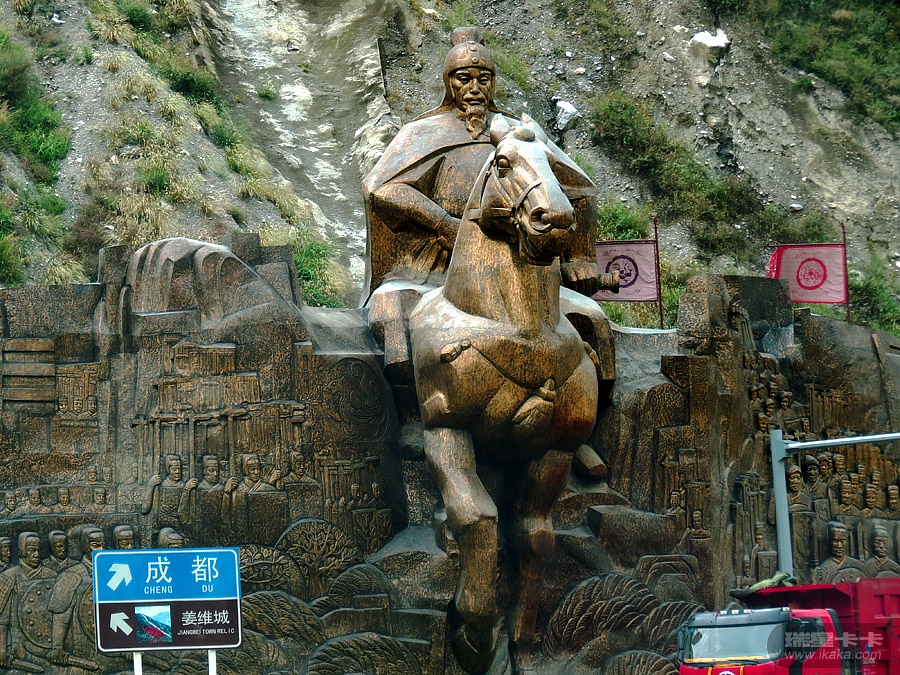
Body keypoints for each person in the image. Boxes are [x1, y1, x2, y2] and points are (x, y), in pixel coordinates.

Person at [362, 27, 599, 300]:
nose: (475, 89)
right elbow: (380, 187)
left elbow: (579, 187)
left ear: (492, 83)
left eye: (483, 80)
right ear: (449, 83)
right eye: (464, 79)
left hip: (519, 266)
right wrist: (443, 224)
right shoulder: (423, 132)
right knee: (390, 304)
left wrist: (581, 258)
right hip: (436, 269)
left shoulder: (517, 133)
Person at [48, 526, 104, 666]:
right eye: (96, 545)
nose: (101, 549)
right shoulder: (71, 575)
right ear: (85, 546)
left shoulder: (113, 571)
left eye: (103, 545)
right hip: (83, 650)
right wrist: (57, 647)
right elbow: (61, 615)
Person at [0, 532, 56, 666]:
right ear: (22, 551)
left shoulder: (51, 575)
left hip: (48, 646)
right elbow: (2, 621)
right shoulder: (9, 576)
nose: (36, 555)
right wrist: (2, 651)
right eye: (31, 550)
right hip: (19, 648)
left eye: (38, 550)